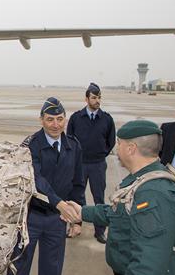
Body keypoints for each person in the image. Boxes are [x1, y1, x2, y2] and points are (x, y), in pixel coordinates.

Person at [68, 120, 175, 275]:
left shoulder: (154, 194)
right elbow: (121, 213)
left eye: (119, 144)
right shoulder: (142, 180)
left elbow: (149, 266)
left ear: (131, 149)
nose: (116, 148)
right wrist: (82, 212)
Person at [12, 97, 85, 275]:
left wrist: (77, 219)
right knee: (19, 266)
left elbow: (78, 183)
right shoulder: (31, 145)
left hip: (58, 219)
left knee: (52, 268)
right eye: (50, 119)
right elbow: (36, 179)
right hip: (30, 217)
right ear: (41, 120)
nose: (55, 125)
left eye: (60, 119)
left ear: (65, 119)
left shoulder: (73, 146)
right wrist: (59, 203)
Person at [67, 82, 116, 244]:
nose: (97, 100)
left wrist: (101, 154)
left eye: (99, 97)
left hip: (97, 164)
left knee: (99, 198)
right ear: (86, 99)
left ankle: (100, 231)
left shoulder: (107, 119)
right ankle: (76, 225)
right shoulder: (76, 118)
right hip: (79, 165)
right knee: (77, 197)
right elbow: (70, 140)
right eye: (94, 97)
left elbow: (110, 141)